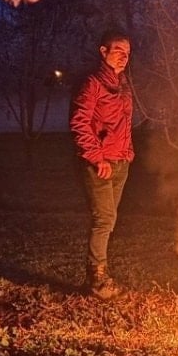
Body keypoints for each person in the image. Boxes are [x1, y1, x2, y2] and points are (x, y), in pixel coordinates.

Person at [71, 28, 134, 300]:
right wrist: (97, 158)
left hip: (121, 161)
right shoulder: (92, 83)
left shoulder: (122, 84)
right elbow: (79, 122)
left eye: (127, 53)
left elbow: (123, 123)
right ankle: (96, 279)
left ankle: (99, 274)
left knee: (109, 220)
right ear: (103, 51)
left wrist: (128, 151)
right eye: (118, 51)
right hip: (101, 163)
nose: (123, 57)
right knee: (104, 218)